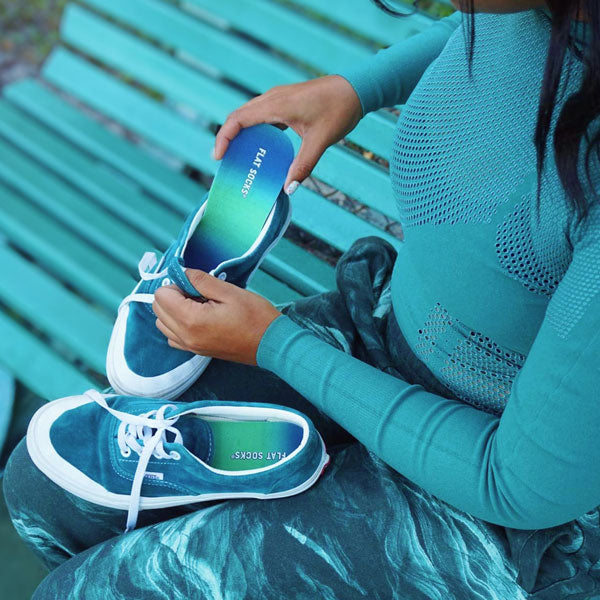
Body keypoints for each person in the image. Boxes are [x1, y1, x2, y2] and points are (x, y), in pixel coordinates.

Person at [4, 0, 600, 598]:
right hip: (387, 330)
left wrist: (274, 345)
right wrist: (355, 89)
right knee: (37, 488)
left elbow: (519, 486)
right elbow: (494, 32)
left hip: (499, 500)